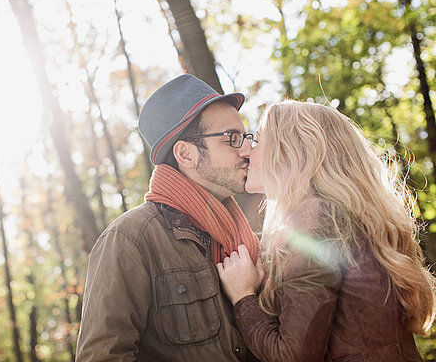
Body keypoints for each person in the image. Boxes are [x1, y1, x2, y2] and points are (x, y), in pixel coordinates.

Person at [217, 100, 436, 361]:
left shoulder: (316, 215)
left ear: (291, 150)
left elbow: (292, 356)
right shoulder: (342, 214)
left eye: (259, 139)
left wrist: (243, 297)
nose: (247, 152)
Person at [76, 74, 261, 361]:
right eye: (232, 139)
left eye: (245, 137)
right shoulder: (130, 240)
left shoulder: (249, 235)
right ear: (186, 155)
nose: (247, 150)